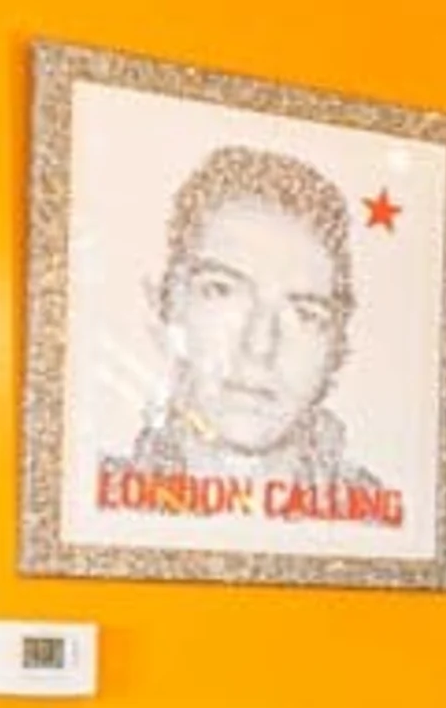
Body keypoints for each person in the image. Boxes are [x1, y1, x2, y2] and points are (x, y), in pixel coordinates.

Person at [121, 143, 390, 511]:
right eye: (221, 291)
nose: (260, 345)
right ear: (168, 305)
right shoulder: (102, 494)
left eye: (305, 314)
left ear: (337, 346)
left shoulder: (375, 516)